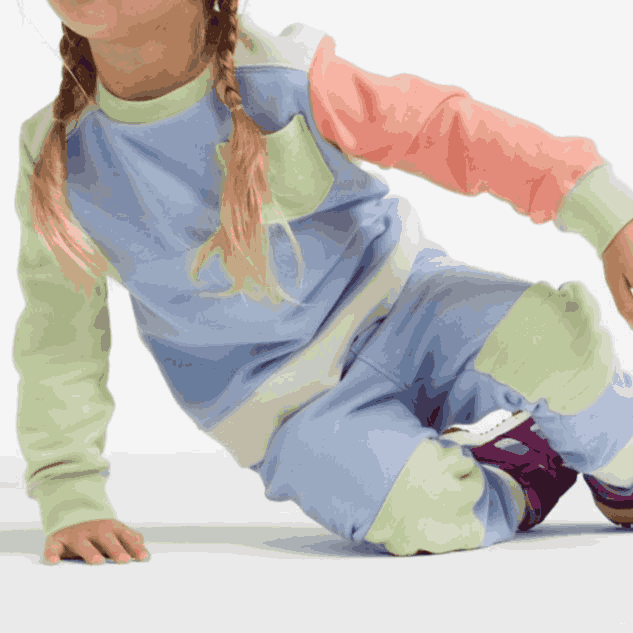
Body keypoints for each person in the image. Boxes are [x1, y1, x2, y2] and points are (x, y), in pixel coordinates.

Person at [12, 0, 633, 565]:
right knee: (424, 512)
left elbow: (446, 131)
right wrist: (71, 494)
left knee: (555, 342)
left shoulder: (283, 76)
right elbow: (59, 338)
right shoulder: (58, 161)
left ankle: (616, 468)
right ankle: (522, 464)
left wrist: (603, 212)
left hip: (406, 304)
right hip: (288, 409)